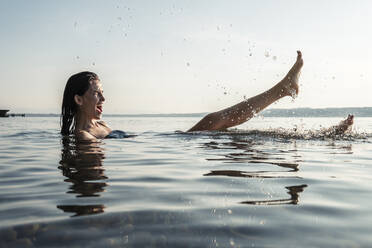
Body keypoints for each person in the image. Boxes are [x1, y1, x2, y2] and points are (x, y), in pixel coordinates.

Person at [60, 51, 353, 140]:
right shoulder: (84, 137)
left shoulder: (98, 127)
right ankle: (285, 93)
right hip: (168, 147)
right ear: (78, 99)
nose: (103, 99)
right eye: (97, 94)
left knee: (233, 131)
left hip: (166, 140)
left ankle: (321, 130)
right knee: (219, 124)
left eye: (102, 94)